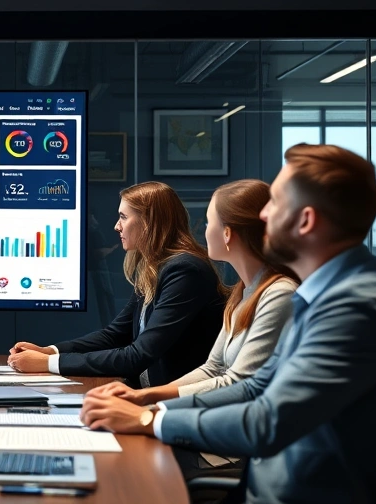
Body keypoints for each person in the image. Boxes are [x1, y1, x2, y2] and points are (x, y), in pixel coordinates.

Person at [80, 144, 376, 504]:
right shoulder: (326, 294)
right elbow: (254, 386)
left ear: (306, 221)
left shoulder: (358, 308)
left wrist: (146, 421)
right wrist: (148, 406)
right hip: (268, 484)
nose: (262, 216)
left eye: (274, 203)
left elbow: (267, 423)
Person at [91, 179, 298, 482]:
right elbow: (213, 368)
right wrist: (144, 397)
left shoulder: (279, 294)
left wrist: (150, 409)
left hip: (230, 450)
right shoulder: (243, 293)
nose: (202, 231)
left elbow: (238, 383)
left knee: (124, 474)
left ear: (227, 234)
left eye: (210, 222)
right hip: (212, 437)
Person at [8, 182, 226, 387]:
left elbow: (137, 356)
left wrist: (48, 364)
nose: (116, 226)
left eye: (123, 217)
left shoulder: (185, 271)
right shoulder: (156, 268)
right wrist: (49, 351)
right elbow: (114, 335)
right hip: (147, 397)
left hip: (175, 406)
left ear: (149, 222)